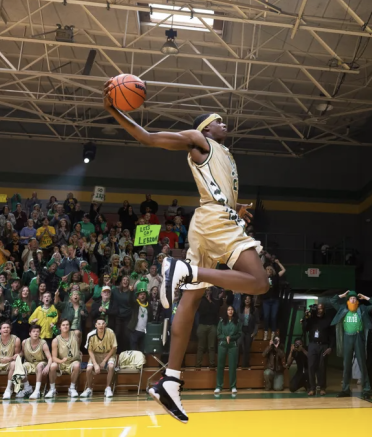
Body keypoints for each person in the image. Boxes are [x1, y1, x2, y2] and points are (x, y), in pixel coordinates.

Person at [103, 92, 272, 422]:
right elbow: (148, 137)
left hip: (209, 221)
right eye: (218, 120)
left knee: (190, 304)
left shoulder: (221, 153)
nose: (225, 123)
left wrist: (234, 207)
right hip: (213, 222)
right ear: (206, 129)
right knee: (260, 282)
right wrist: (114, 109)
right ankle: (186, 269)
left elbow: (214, 189)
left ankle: (170, 380)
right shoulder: (199, 140)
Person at [330, 290, 372, 399]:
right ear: (348, 300)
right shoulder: (343, 308)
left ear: (357, 301)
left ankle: (366, 389)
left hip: (358, 337)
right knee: (346, 364)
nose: (353, 299)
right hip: (347, 337)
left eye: (355, 298)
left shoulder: (362, 309)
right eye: (351, 298)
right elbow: (333, 301)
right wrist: (342, 295)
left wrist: (365, 297)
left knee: (362, 363)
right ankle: (345, 389)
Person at [302, 302, 333, 396]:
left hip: (324, 345)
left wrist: (331, 347)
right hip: (312, 345)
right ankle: (312, 388)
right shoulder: (311, 319)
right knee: (311, 366)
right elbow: (304, 329)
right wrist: (306, 318)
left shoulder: (328, 319)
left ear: (324, 310)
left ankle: (322, 387)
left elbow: (332, 335)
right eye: (319, 309)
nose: (320, 310)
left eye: (322, 308)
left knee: (322, 367)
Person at [83, 317, 117, 398]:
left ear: (105, 325)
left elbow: (114, 348)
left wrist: (104, 361)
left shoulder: (111, 332)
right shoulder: (90, 335)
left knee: (111, 366)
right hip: (95, 354)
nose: (101, 325)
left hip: (108, 354)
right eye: (99, 324)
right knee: (88, 369)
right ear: (95, 325)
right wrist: (95, 364)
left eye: (103, 323)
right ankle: (89, 389)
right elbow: (90, 350)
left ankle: (108, 388)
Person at [50, 319, 82, 398]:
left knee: (77, 365)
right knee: (52, 366)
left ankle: (72, 388)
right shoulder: (55, 340)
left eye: (67, 325)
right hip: (61, 362)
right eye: (63, 325)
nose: (65, 326)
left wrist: (78, 348)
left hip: (73, 361)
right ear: (59, 327)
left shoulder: (75, 334)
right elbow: (53, 357)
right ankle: (52, 389)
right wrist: (61, 361)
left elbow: (79, 333)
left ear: (70, 326)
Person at [20, 325, 52, 399]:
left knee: (39, 365)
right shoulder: (24, 342)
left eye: (37, 332)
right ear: (29, 333)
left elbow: (50, 358)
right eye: (33, 331)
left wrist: (48, 366)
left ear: (40, 333)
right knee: (20, 367)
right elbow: (22, 352)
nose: (36, 333)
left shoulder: (43, 343)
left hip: (41, 363)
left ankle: (37, 391)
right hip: (29, 363)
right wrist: (17, 356)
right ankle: (27, 387)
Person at [215, 305, 241, 394]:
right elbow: (218, 333)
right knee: (220, 366)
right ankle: (219, 386)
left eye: (232, 309)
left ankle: (233, 386)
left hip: (233, 345)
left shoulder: (237, 322)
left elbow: (239, 333)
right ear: (226, 311)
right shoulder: (222, 321)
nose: (230, 311)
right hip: (222, 345)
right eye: (228, 309)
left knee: (232, 366)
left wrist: (231, 337)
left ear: (234, 311)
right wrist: (225, 337)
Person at [260, 259, 285, 340]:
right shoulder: (262, 278)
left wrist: (278, 263)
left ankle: (273, 333)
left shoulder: (275, 277)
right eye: (267, 269)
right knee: (266, 316)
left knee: (274, 316)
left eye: (270, 269)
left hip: (275, 300)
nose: (269, 270)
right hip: (266, 300)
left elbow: (284, 270)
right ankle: (266, 332)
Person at [196, 287, 220, 368]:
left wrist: (210, 302)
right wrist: (208, 303)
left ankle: (212, 363)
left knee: (212, 346)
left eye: (209, 290)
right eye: (207, 290)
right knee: (200, 347)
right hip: (202, 324)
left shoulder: (215, 300)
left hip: (212, 325)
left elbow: (215, 311)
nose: (208, 292)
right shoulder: (201, 300)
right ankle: (198, 364)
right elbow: (201, 311)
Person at [129, 283, 156, 352]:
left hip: (144, 332)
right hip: (135, 331)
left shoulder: (149, 306)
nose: (142, 296)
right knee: (133, 350)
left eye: (144, 294)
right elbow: (130, 301)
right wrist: (131, 292)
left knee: (142, 350)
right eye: (141, 294)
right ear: (138, 296)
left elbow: (150, 318)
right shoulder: (135, 304)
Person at [237, 294, 258, 369]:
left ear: (251, 300)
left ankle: (245, 365)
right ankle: (236, 363)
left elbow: (256, 322)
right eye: (246, 299)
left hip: (249, 331)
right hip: (241, 330)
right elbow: (236, 320)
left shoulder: (254, 310)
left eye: (249, 298)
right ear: (243, 300)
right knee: (239, 344)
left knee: (247, 348)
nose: (247, 300)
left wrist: (254, 332)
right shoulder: (240, 309)